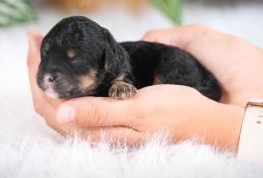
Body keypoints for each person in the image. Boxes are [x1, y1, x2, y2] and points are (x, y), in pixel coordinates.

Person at [27, 24, 263, 151]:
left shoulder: (116, 68)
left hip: (169, 63)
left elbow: (124, 77)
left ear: (105, 61)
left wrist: (228, 128)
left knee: (170, 68)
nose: (48, 73)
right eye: (46, 55)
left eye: (75, 60)